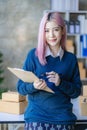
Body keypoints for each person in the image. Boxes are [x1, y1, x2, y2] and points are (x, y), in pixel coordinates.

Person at [17, 12, 82, 130]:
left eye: (56, 29)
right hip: (36, 118)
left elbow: (77, 92)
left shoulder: (70, 59)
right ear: (42, 33)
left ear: (63, 31)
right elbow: (20, 88)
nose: (51, 35)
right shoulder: (33, 55)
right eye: (46, 30)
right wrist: (34, 86)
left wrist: (60, 83)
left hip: (63, 120)